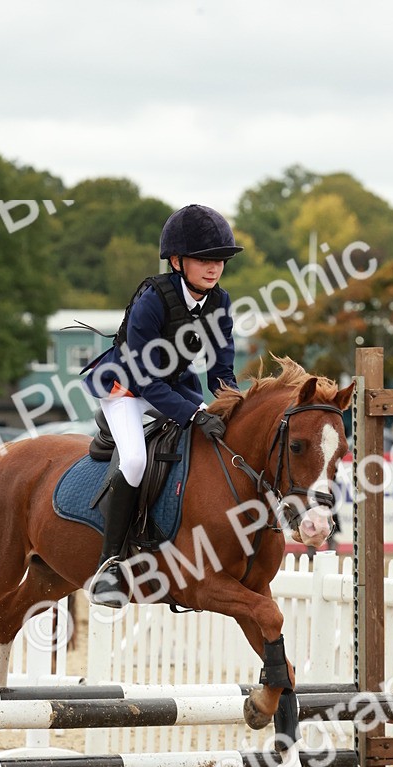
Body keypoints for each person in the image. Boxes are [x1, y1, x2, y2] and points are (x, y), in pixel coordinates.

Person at [82, 204, 243, 605]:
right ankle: (109, 563)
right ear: (177, 260)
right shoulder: (153, 299)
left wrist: (233, 409)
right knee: (135, 460)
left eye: (220, 260)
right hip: (126, 387)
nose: (214, 268)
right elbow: (143, 378)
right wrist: (192, 413)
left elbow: (221, 373)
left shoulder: (220, 303)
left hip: (171, 385)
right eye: (205, 259)